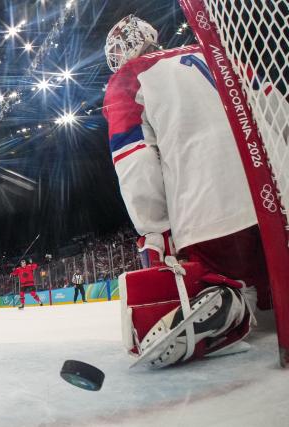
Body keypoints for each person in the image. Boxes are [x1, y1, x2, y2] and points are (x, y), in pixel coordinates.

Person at [103, 15, 269, 367]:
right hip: (273, 200)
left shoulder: (128, 79)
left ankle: (231, 301)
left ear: (131, 44)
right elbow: (275, 109)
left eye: (118, 49)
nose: (116, 58)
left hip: (209, 213)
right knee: (272, 286)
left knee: (227, 282)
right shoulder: (219, 55)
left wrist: (156, 229)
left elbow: (134, 160)